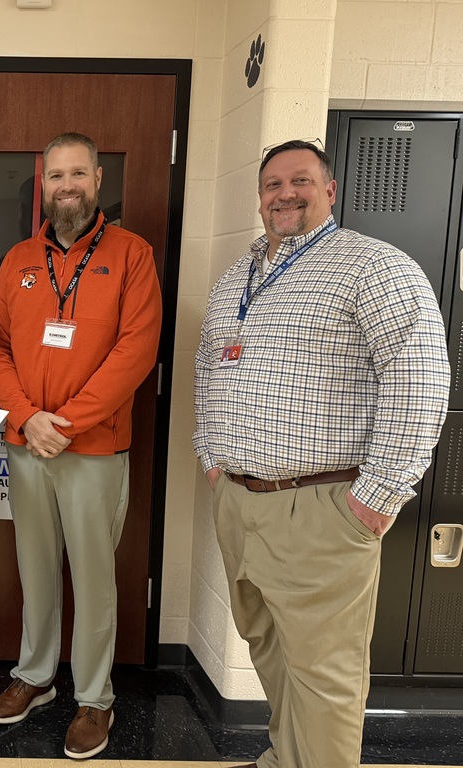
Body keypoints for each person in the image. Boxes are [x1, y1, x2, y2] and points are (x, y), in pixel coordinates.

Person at [193, 139, 450, 768]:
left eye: (299, 181)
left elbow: (419, 377)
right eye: (272, 185)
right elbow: (209, 367)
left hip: (322, 505)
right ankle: (286, 758)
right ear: (259, 199)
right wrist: (211, 455)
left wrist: (380, 494)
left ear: (329, 190)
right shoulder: (238, 277)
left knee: (326, 673)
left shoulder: (372, 266)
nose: (285, 194)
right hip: (241, 499)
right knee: (270, 647)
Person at [0, 132, 162, 759]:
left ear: (97, 182)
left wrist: (66, 423)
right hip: (27, 443)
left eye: (78, 174)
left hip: (93, 449)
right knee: (34, 568)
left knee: (93, 577)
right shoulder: (17, 260)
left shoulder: (131, 255)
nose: (67, 186)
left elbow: (136, 351)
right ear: (43, 185)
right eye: (56, 175)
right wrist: (27, 417)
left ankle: (94, 697)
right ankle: (36, 678)